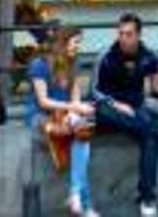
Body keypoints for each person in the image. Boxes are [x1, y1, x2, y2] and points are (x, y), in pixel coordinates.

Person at [92, 13, 158, 217]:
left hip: (135, 113)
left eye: (128, 34)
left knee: (149, 138)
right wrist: (117, 105)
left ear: (138, 35)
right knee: (107, 111)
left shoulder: (150, 56)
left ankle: (147, 198)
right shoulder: (106, 55)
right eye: (120, 33)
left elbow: (157, 93)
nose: (123, 38)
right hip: (108, 112)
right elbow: (94, 92)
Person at [28, 26, 99, 217]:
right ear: (63, 42)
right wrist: (73, 108)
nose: (78, 47)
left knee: (82, 134)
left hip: (64, 115)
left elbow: (75, 99)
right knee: (82, 139)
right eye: (76, 42)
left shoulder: (73, 64)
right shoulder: (39, 65)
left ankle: (76, 195)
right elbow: (43, 101)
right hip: (41, 117)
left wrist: (76, 110)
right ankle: (84, 203)